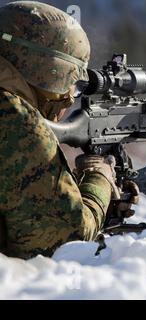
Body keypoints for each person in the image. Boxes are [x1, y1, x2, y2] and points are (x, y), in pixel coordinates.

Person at [0, 1, 137, 259]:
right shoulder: (14, 118)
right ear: (45, 70)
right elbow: (64, 241)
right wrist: (100, 180)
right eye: (68, 83)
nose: (69, 97)